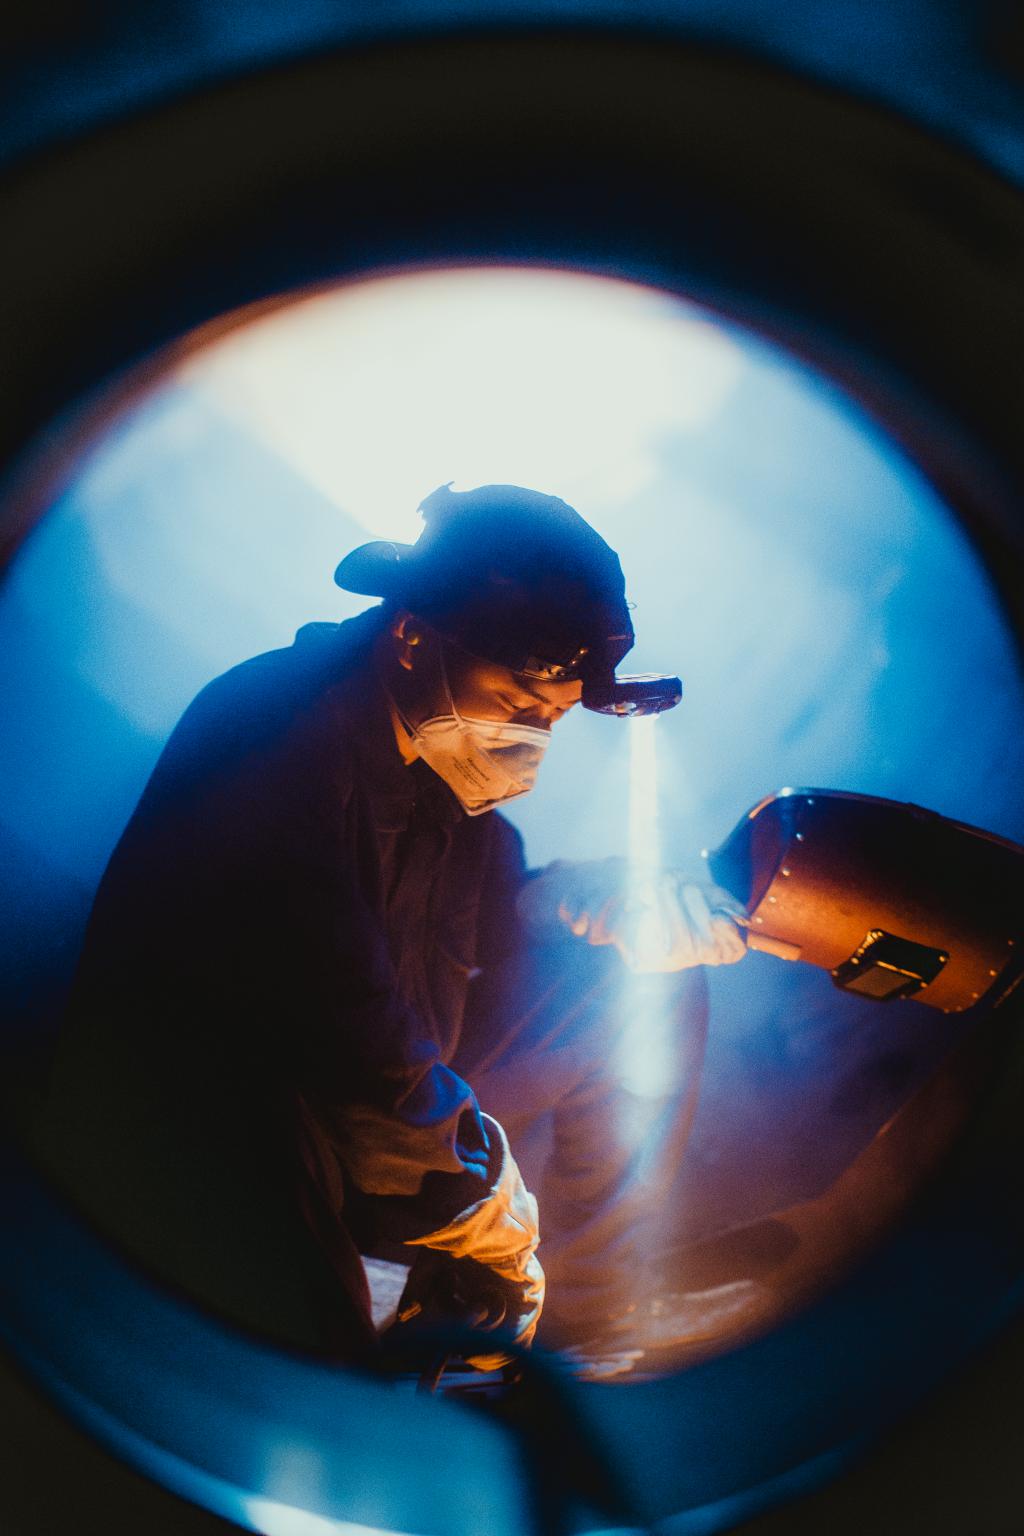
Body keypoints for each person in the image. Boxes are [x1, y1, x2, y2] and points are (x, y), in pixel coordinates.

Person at [38, 482, 745, 1374]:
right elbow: (356, 1058)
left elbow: (493, 908)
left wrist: (587, 897)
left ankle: (586, 1340)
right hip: (237, 1129)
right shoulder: (278, 742)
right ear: (412, 637)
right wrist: (488, 1215)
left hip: (378, 1100)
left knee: (637, 983)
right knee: (311, 1364)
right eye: (522, 704)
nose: (534, 740)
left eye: (553, 718)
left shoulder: (430, 761)